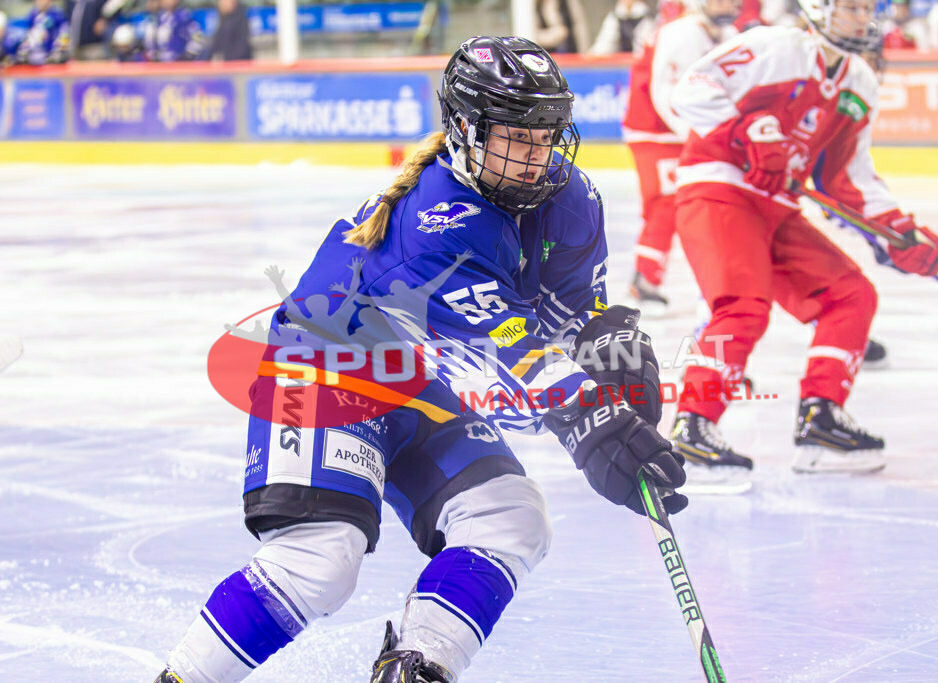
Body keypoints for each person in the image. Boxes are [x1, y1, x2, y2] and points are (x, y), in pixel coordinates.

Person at [155, 36, 686, 683]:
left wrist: (613, 346)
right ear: (466, 128)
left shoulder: (574, 198)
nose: (534, 155)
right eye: (515, 137)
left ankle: (415, 667)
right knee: (321, 560)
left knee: (510, 517)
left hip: (421, 382)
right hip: (327, 371)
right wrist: (596, 425)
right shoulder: (434, 218)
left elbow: (574, 309)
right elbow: (515, 350)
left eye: (545, 136)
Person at [664, 0, 938, 481]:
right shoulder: (774, 46)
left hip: (776, 209)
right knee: (742, 306)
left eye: (867, 9)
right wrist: (747, 127)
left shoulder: (860, 82)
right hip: (718, 190)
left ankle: (822, 418)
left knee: (851, 295)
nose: (863, 18)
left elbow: (846, 178)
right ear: (820, 7)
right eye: (852, 8)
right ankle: (692, 428)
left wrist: (899, 230)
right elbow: (690, 86)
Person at [622, 0, 740, 317]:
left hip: (682, 131)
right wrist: (700, 136)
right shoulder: (680, 33)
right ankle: (645, 277)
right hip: (655, 131)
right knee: (666, 201)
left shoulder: (728, 33)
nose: (726, 4)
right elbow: (667, 93)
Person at [588, 0, 656, 55]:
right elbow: (603, 46)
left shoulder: (648, 18)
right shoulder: (615, 17)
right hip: (621, 67)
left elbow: (645, 49)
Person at [13, 0, 69, 65]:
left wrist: (57, 49)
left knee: (59, 56)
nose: (40, 2)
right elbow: (27, 35)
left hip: (51, 53)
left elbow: (64, 35)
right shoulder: (32, 15)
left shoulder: (58, 15)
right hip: (34, 53)